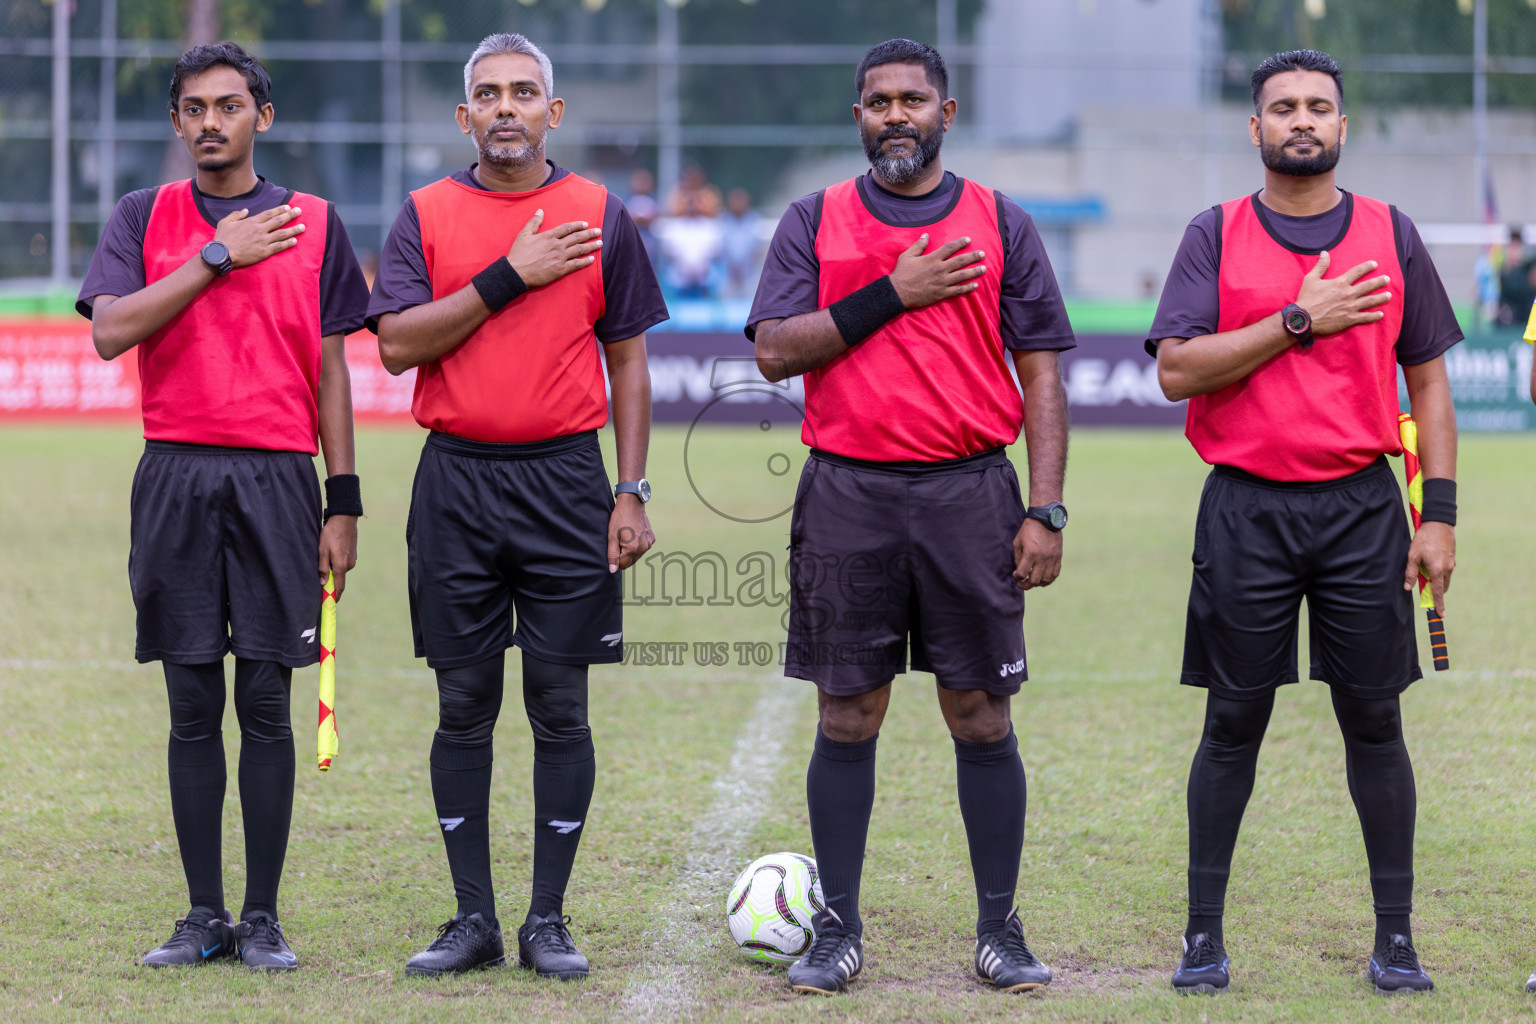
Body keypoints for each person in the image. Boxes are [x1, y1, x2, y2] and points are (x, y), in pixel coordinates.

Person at [747, 38, 1074, 996]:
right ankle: (838, 931)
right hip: (848, 492)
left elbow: (1043, 373)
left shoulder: (1001, 223)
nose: (897, 114)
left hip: (972, 494)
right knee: (849, 713)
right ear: (858, 117)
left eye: (913, 99)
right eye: (879, 101)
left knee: (980, 712)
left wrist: (1045, 506)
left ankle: (999, 932)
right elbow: (774, 350)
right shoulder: (815, 220)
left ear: (947, 111)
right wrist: (894, 291)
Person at [1147, 49, 1461, 996]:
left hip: (1364, 507)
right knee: (1233, 719)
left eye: (1318, 106)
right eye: (1281, 106)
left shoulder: (1391, 233)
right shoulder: (1215, 232)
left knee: (1374, 720)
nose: (1300, 120)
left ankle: (1395, 939)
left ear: (1342, 125)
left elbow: (1431, 383)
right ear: (1254, 128)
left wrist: (1437, 516)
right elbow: (1176, 372)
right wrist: (1298, 317)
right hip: (1247, 507)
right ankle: (1204, 936)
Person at [367, 32, 666, 980]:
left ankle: (547, 920)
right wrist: (508, 275)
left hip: (568, 484)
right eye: (488, 94)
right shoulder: (424, 213)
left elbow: (627, 359)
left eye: (524, 92)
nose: (506, 107)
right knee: (463, 704)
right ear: (465, 117)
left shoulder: (598, 212)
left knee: (559, 703)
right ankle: (472, 920)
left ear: (553, 111)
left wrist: (631, 488)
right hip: (456, 480)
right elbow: (397, 346)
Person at [75, 42, 369, 970]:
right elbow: (112, 331)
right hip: (175, 474)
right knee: (193, 702)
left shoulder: (316, 222)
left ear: (263, 117)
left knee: (268, 706)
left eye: (230, 106)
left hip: (280, 480)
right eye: (195, 108)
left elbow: (331, 374)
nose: (212, 122)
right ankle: (203, 915)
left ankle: (263, 917)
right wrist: (215, 253)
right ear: (176, 122)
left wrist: (343, 502)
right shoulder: (143, 215)